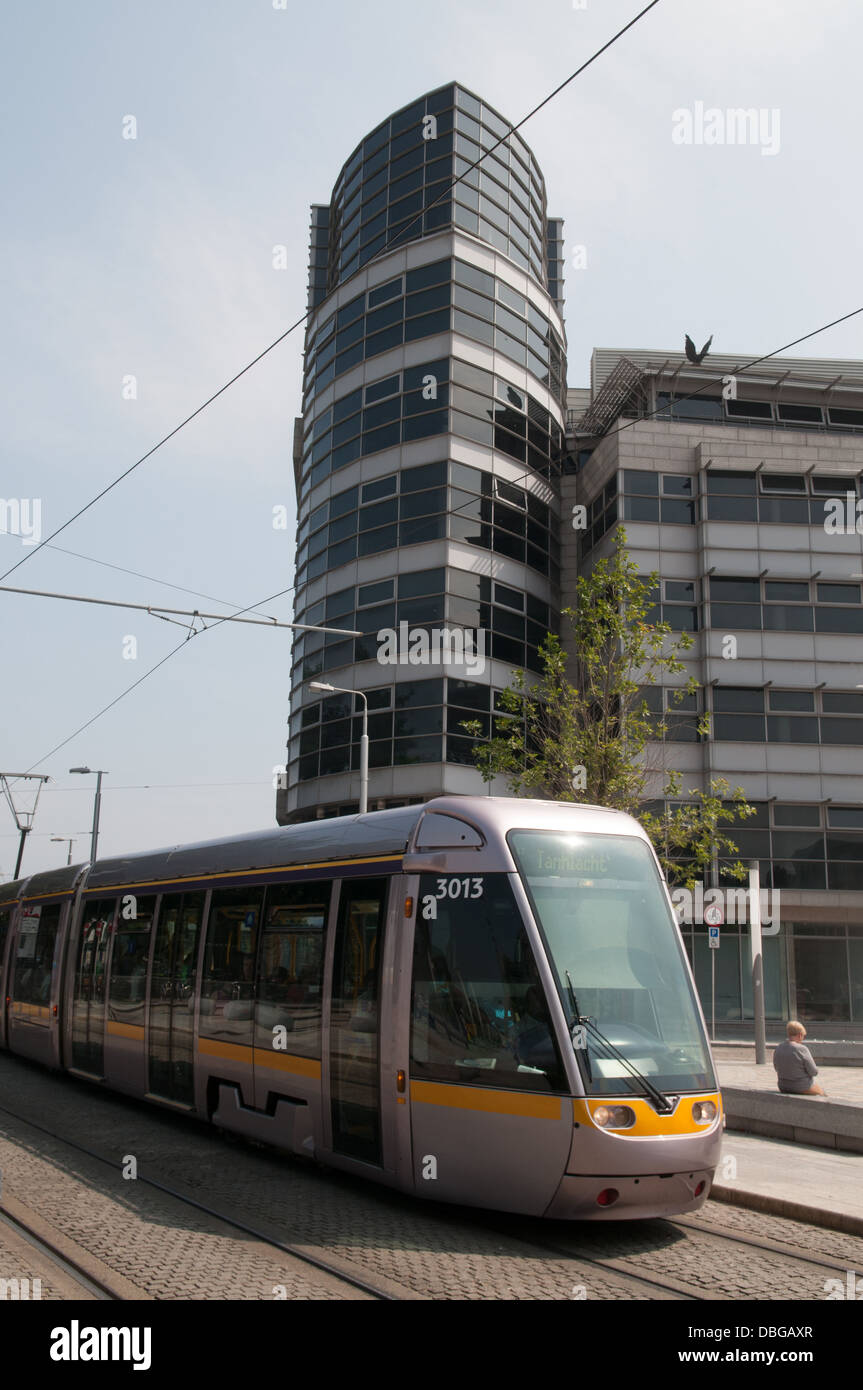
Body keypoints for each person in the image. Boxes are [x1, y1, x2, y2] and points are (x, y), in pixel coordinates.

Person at [773, 1020, 826, 1096]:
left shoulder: (778, 1048)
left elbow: (776, 1068)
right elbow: (814, 1072)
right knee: (823, 1093)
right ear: (800, 1035)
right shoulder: (801, 1049)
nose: (802, 1039)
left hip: (783, 1086)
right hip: (801, 1086)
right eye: (803, 1036)